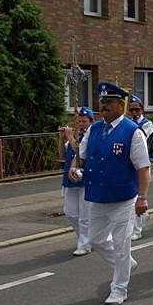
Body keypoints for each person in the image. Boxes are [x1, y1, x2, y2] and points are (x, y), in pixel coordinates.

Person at [69, 82, 151, 305]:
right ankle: (125, 263)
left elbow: (143, 167)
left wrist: (142, 197)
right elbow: (81, 156)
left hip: (124, 198)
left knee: (121, 243)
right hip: (97, 195)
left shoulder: (133, 132)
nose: (103, 106)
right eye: (102, 102)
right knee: (95, 240)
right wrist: (75, 168)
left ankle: (119, 288)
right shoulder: (94, 129)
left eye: (108, 102)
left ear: (120, 104)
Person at [58, 107, 94, 256]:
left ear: (91, 121)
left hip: (85, 178)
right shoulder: (77, 135)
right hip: (70, 179)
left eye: (84, 121)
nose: (81, 124)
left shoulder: (93, 135)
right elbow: (61, 154)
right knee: (70, 213)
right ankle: (86, 238)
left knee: (84, 215)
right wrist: (61, 138)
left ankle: (85, 244)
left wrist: (71, 137)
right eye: (79, 121)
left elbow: (79, 152)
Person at [128, 95, 153, 241]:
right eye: (131, 110)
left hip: (143, 163)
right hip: (129, 164)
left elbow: (140, 136)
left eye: (137, 109)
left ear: (142, 110)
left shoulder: (147, 123)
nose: (134, 113)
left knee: (140, 194)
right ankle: (143, 215)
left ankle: (137, 230)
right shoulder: (128, 123)